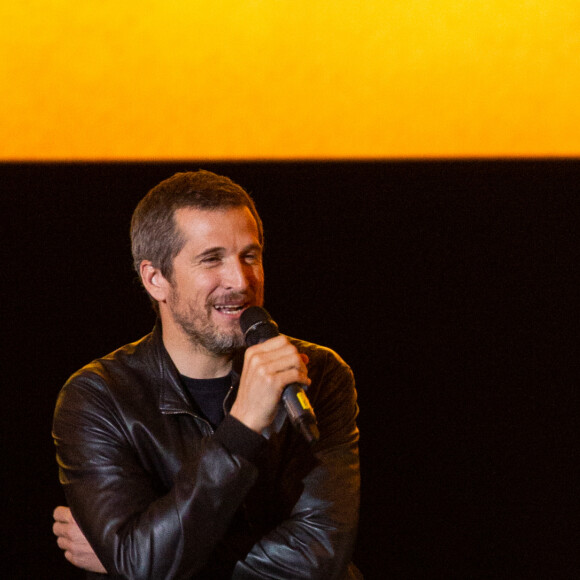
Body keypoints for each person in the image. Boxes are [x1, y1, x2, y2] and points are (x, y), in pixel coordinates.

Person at [52, 170, 361, 579]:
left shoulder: (318, 374)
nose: (240, 280)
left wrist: (133, 558)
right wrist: (242, 429)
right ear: (155, 279)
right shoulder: (98, 397)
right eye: (211, 259)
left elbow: (318, 559)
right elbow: (143, 564)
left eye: (250, 256)